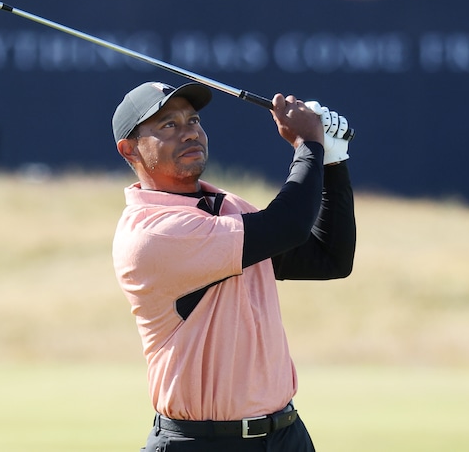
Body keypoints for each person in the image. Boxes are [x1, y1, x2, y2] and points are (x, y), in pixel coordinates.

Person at [111, 81, 356, 451]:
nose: (189, 132)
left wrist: (333, 162)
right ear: (129, 150)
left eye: (192, 120)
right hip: (203, 442)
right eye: (168, 126)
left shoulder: (228, 209)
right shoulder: (153, 232)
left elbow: (328, 259)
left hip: (285, 435)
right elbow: (286, 225)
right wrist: (309, 145)